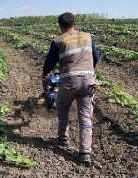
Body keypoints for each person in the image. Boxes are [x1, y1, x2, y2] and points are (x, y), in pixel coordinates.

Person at [42, 12, 100, 163]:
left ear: (60, 26)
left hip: (69, 81)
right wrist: (89, 71)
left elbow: (49, 63)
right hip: (89, 80)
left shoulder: (58, 40)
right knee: (85, 116)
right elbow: (96, 56)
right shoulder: (88, 36)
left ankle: (63, 140)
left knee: (62, 109)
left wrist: (44, 75)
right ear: (75, 23)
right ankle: (85, 152)